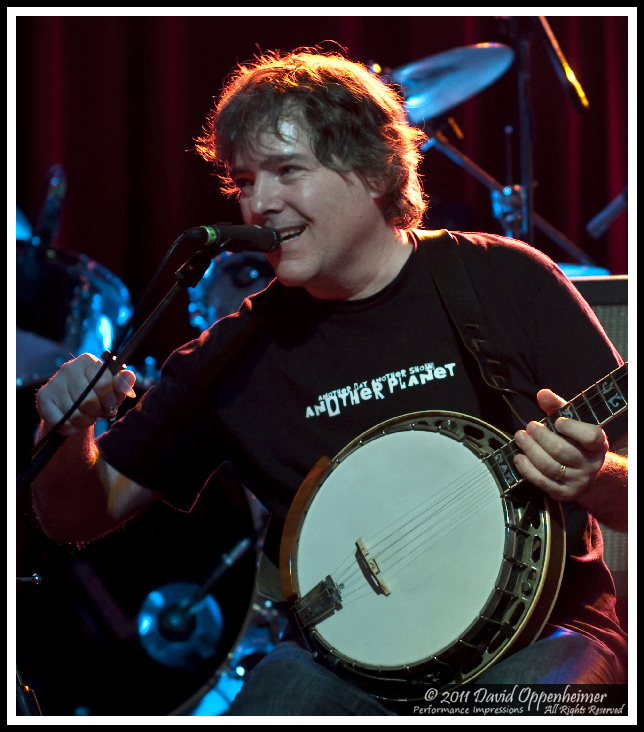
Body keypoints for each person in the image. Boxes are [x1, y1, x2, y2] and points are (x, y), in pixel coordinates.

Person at [32, 51, 627, 716]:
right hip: (341, 671)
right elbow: (73, 516)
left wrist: (598, 477)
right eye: (245, 180)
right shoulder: (234, 356)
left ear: (373, 169)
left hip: (543, 640)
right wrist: (69, 430)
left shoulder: (505, 280)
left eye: (287, 171)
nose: (258, 204)